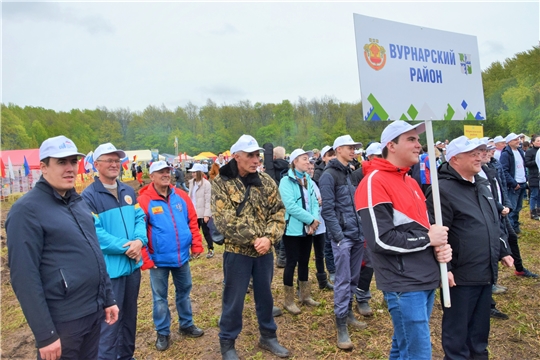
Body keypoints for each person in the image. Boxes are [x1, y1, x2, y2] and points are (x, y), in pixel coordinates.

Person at [6, 135, 119, 360]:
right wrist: (45, 334)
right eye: (61, 162)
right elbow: (24, 277)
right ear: (44, 167)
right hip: (64, 322)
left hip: (93, 312)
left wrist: (107, 298)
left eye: (73, 162)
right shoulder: (26, 211)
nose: (70, 169)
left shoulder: (77, 203)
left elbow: (95, 253)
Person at [356, 121, 451, 360]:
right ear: (391, 145)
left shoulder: (409, 181)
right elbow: (380, 240)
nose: (419, 145)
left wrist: (439, 251)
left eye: (418, 139)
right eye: (411, 139)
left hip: (425, 276)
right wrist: (428, 239)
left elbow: (423, 228)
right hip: (404, 283)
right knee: (418, 353)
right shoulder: (373, 182)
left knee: (403, 347)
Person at [426, 135, 514, 359]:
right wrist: (445, 269)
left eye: (480, 152)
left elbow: (493, 221)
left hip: (485, 272)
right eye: (473, 154)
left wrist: (502, 250)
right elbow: (437, 234)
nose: (480, 157)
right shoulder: (441, 191)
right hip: (461, 276)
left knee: (479, 334)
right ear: (455, 159)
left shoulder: (482, 185)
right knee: (458, 337)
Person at [212, 134, 290, 359]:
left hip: (264, 251)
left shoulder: (266, 181)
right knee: (233, 299)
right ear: (236, 157)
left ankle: (268, 336)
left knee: (265, 296)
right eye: (250, 155)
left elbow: (278, 212)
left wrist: (269, 238)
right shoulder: (221, 183)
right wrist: (257, 239)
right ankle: (227, 342)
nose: (256, 160)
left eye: (258, 155)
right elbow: (224, 220)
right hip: (237, 253)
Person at [81, 143, 148, 360]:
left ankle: (127, 356)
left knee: (130, 319)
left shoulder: (127, 191)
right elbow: (95, 234)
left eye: (117, 160)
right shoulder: (88, 196)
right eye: (108, 160)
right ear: (97, 164)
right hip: (110, 273)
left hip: (132, 268)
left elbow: (140, 217)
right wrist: (127, 247)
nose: (114, 164)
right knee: (109, 325)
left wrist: (139, 240)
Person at [138, 161, 205, 351]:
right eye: (161, 172)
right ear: (151, 176)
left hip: (181, 257)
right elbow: (139, 232)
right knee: (159, 298)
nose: (166, 174)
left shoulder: (181, 197)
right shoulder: (144, 200)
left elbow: (192, 221)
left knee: (184, 292)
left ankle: (186, 324)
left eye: (167, 171)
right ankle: (163, 332)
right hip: (158, 260)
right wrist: (146, 259)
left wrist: (196, 245)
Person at [319, 134, 367, 350]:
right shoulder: (329, 175)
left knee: (354, 277)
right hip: (343, 237)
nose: (354, 151)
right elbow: (327, 210)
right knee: (343, 279)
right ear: (338, 149)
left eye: (354, 148)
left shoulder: (348, 172)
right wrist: (338, 237)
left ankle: (347, 313)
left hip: (356, 234)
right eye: (350, 147)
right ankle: (340, 325)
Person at [278, 149, 321, 315]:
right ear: (295, 161)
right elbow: (290, 206)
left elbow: (315, 202)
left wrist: (314, 220)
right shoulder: (285, 182)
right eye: (304, 159)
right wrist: (310, 220)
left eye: (308, 159)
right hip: (293, 230)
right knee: (291, 262)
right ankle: (288, 300)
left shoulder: (308, 179)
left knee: (304, 261)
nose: (308, 162)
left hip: (308, 229)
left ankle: (305, 295)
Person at [306, 160, 334, 291]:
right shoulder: (300, 184)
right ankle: (303, 285)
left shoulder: (314, 184)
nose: (311, 171)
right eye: (308, 168)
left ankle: (322, 280)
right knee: (304, 256)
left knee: (320, 254)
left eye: (312, 169)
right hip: (307, 225)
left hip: (320, 224)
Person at [312, 145, 337, 283]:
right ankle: (331, 270)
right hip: (323, 212)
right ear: (324, 157)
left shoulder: (342, 170)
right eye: (330, 155)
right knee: (327, 242)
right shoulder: (319, 173)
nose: (333, 158)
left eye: (334, 155)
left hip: (336, 210)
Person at [499, 132, 528, 234]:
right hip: (514, 186)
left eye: (518, 139)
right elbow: (504, 171)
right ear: (509, 142)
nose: (518, 141)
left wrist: (525, 178)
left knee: (519, 207)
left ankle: (515, 226)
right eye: (515, 140)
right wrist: (513, 183)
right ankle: (510, 230)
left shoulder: (520, 151)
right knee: (512, 208)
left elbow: (523, 166)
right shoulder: (506, 154)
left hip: (522, 183)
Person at [188, 163, 215, 259]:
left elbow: (208, 200)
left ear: (199, 172)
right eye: (192, 172)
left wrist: (207, 214)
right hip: (193, 212)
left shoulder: (206, 184)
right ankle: (195, 251)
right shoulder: (192, 182)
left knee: (206, 232)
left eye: (194, 172)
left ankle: (210, 249)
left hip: (202, 213)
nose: (193, 174)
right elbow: (190, 197)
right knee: (193, 233)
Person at [525, 135, 540, 220]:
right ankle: (533, 212)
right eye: (537, 141)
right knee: (534, 194)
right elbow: (527, 163)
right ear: (533, 142)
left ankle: (539, 210)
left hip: (539, 175)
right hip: (534, 175)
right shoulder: (530, 152)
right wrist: (537, 161)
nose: (539, 142)